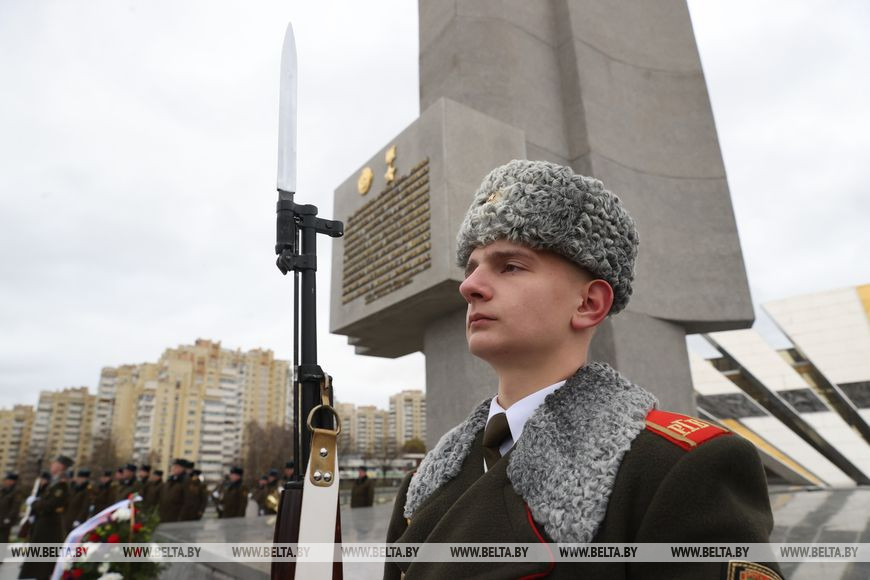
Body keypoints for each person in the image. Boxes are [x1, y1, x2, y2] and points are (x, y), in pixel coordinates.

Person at [384, 160, 782, 579]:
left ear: (589, 304)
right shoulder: (423, 483)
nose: (469, 286)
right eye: (472, 267)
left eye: (510, 266)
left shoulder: (678, 468)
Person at [19, 455, 73, 580]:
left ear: (60, 466)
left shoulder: (61, 485)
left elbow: (51, 504)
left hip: (49, 527)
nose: (51, 465)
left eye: (54, 463)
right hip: (44, 524)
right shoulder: (54, 482)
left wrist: (34, 503)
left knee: (44, 562)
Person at [158, 459, 188, 523]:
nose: (173, 469)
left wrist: (181, 517)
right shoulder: (170, 480)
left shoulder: (186, 481)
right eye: (173, 467)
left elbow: (187, 501)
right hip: (165, 514)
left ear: (182, 469)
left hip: (177, 516)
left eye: (176, 467)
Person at [64, 468, 93, 533]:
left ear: (84, 479)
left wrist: (79, 519)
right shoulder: (76, 487)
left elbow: (85, 507)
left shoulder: (87, 490)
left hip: (76, 519)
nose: (77, 479)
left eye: (80, 478)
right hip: (69, 517)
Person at [0, 472, 22, 543]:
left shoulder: (16, 492)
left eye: (8, 480)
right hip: (1, 517)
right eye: (6, 480)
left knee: (3, 539)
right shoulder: (3, 490)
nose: (6, 481)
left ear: (13, 481)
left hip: (6, 520)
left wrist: (8, 518)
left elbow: (15, 507)